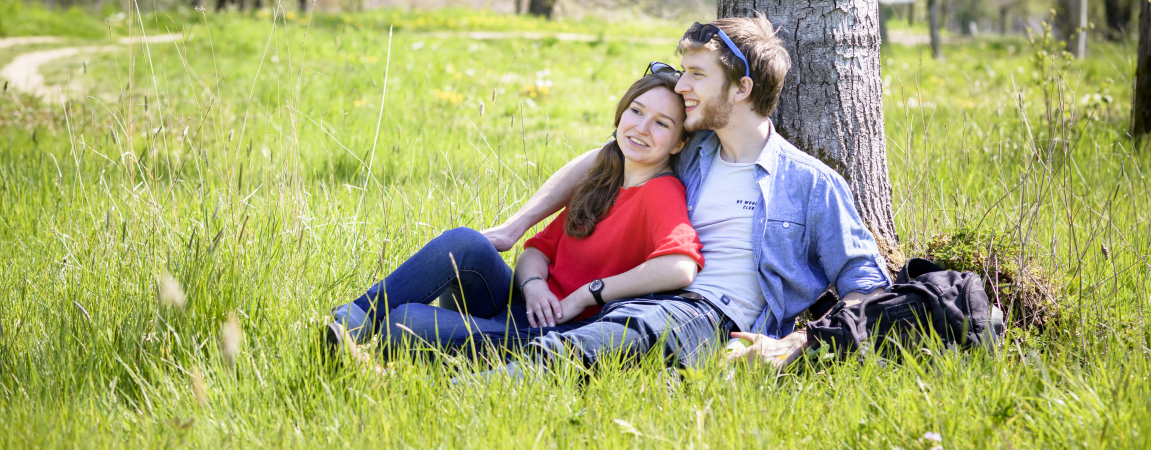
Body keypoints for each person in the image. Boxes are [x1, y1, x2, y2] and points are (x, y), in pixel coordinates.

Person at [472, 14, 892, 371]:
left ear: (742, 88)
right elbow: (605, 155)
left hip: (710, 316)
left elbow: (868, 283)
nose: (680, 87)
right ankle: (419, 339)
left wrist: (796, 344)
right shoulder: (693, 151)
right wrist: (518, 225)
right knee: (544, 344)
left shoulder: (809, 182)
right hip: (638, 298)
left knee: (559, 352)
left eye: (696, 75)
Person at [325, 67, 706, 364]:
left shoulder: (660, 192)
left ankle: (372, 362)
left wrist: (583, 296)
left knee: (406, 323)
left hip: (559, 332)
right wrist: (535, 285)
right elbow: (535, 252)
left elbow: (678, 267)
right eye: (636, 112)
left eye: (661, 123)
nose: (641, 127)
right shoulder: (603, 180)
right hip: (523, 305)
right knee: (467, 243)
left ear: (680, 142)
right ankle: (350, 320)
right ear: (621, 115)